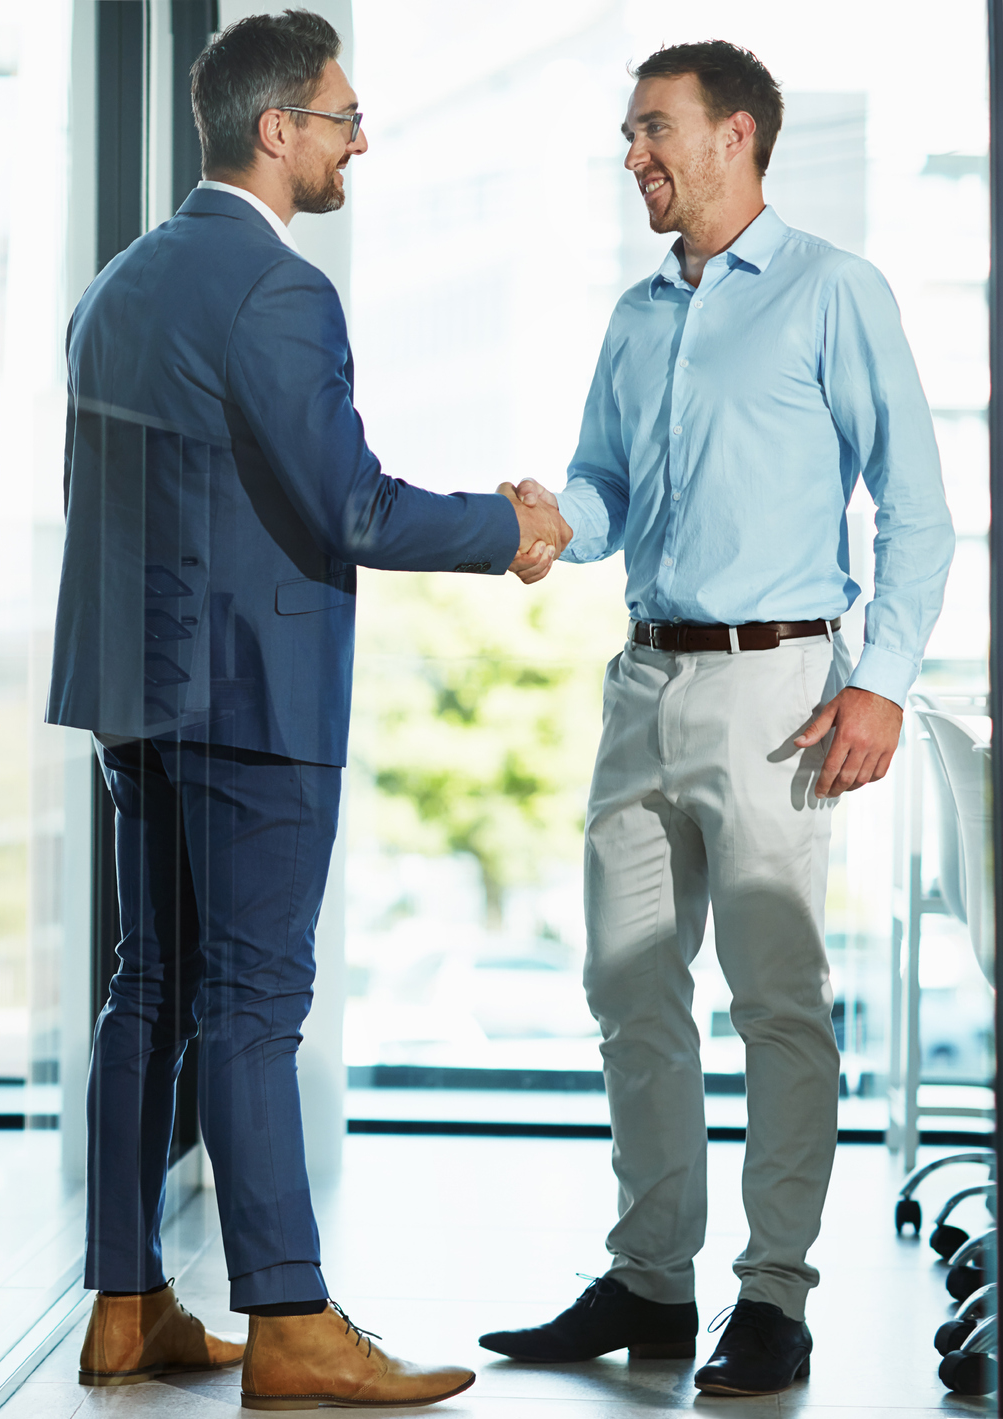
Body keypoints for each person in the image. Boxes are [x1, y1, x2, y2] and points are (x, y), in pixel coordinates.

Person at [48, 10, 569, 1410]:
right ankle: (288, 1318)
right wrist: (507, 526)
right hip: (251, 696)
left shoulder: (115, 289)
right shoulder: (277, 292)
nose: (356, 143)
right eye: (341, 120)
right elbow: (346, 502)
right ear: (274, 131)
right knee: (254, 1002)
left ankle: (123, 1304)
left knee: (142, 991)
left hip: (135, 697)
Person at [477, 41, 955, 1397]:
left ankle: (774, 1299)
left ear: (733, 135)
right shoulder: (633, 316)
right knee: (627, 987)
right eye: (631, 135)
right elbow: (604, 488)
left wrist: (879, 680)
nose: (634, 156)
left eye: (652, 131)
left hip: (777, 693)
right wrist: (548, 523)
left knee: (774, 1001)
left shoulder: (829, 291)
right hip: (642, 684)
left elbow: (913, 508)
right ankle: (648, 1283)